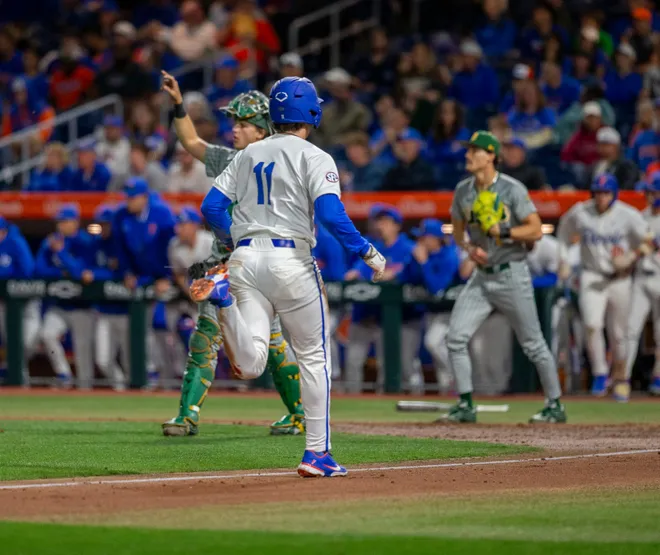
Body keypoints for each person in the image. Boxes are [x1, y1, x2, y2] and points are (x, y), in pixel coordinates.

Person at [196, 76, 386, 477]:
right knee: (315, 358)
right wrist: (366, 251)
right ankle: (317, 453)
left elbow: (211, 206)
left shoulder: (247, 154)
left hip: (245, 261)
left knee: (251, 363)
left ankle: (224, 300)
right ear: (312, 112)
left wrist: (236, 240)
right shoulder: (315, 156)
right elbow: (332, 215)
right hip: (291, 260)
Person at [159, 71, 307, 437]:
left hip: (260, 262)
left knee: (272, 343)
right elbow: (191, 141)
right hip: (227, 264)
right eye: (234, 122)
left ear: (262, 129)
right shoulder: (228, 158)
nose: (235, 129)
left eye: (243, 123)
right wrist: (179, 104)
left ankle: (299, 413)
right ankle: (188, 414)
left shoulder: (281, 163)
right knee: (207, 333)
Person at [446, 131, 565, 423]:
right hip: (482, 277)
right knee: (455, 338)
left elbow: (536, 230)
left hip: (512, 273)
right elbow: (457, 229)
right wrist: (470, 249)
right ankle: (466, 405)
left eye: (474, 151)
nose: (467, 156)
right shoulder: (463, 190)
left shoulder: (512, 189)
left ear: (491, 156)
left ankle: (555, 404)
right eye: (468, 150)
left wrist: (506, 232)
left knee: (533, 344)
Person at [557, 174, 651, 402]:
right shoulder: (581, 212)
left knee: (619, 334)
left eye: (606, 193)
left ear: (614, 193)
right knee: (591, 325)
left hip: (620, 278)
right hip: (592, 276)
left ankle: (620, 379)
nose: (601, 197)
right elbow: (563, 233)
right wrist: (564, 260)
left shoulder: (627, 214)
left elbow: (647, 240)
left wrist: (631, 255)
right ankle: (600, 373)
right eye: (598, 193)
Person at [344, 205, 424, 395]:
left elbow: (411, 275)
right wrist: (356, 273)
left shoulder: (409, 247)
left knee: (400, 365)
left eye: (386, 222)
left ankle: (412, 396)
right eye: (379, 221)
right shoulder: (372, 247)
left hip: (402, 318)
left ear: (397, 226)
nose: (381, 226)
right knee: (354, 361)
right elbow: (356, 272)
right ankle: (351, 402)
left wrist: (390, 274)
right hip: (369, 314)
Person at [35, 205, 97, 389]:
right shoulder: (50, 242)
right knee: (46, 334)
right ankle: (64, 374)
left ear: (75, 222)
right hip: (60, 304)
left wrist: (61, 254)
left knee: (82, 352)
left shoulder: (85, 241)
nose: (61, 225)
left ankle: (87, 391)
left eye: (65, 221)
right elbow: (38, 269)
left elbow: (81, 272)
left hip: (82, 305)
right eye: (59, 222)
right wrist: (61, 272)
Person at [414, 219, 460, 393]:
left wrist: (424, 263)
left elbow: (436, 288)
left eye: (424, 237)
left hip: (450, 311)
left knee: (433, 343)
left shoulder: (449, 255)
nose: (420, 241)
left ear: (434, 238)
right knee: (437, 355)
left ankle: (456, 376)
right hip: (432, 312)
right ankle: (446, 393)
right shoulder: (425, 255)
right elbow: (406, 278)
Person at [624, 175, 660, 399]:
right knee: (630, 329)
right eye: (648, 192)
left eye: (653, 192)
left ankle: (658, 377)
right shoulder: (639, 217)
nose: (648, 196)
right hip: (641, 277)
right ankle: (622, 378)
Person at [91, 205, 130, 391]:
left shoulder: (121, 243)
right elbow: (88, 271)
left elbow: (124, 272)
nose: (103, 228)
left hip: (125, 312)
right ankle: (120, 387)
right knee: (102, 360)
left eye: (106, 224)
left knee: (131, 360)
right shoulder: (96, 244)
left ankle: (139, 395)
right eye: (100, 224)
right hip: (104, 312)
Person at [0, 215, 40, 384]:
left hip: (27, 303)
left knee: (27, 343)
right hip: (4, 304)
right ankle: (20, 381)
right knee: (11, 343)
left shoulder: (16, 242)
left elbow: (28, 271)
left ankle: (13, 372)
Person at [312, 220, 347, 380]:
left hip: (332, 304)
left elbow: (338, 278)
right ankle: (331, 375)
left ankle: (332, 376)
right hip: (308, 302)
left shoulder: (328, 242)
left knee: (321, 333)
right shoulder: (295, 241)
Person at [560, 101, 604, 188]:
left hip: (599, 167)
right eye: (589, 118)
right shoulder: (579, 134)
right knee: (578, 169)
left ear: (599, 118)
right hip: (583, 169)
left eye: (594, 118)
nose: (592, 121)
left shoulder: (605, 132)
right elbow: (566, 154)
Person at [96, 115, 131, 189]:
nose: (109, 131)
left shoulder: (126, 145)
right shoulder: (100, 146)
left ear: (120, 130)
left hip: (121, 182)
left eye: (113, 129)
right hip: (102, 181)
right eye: (107, 128)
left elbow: (114, 168)